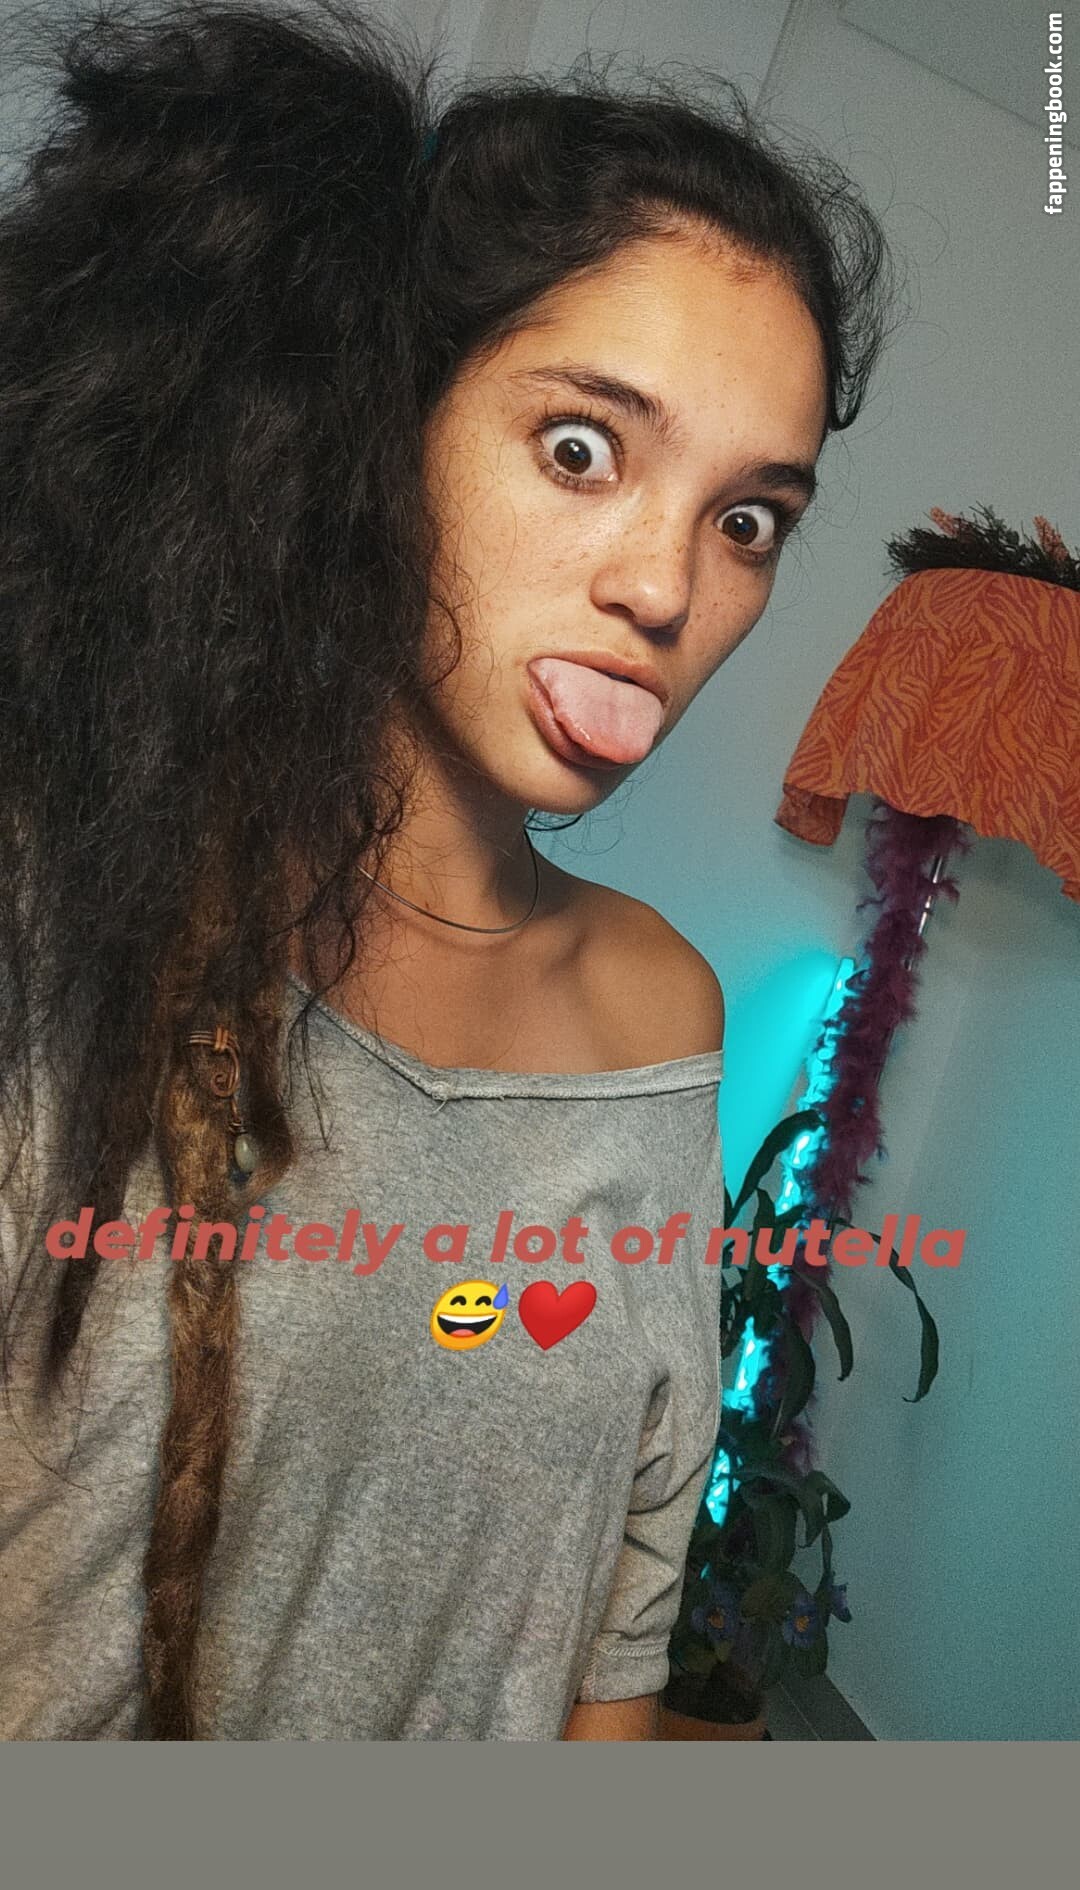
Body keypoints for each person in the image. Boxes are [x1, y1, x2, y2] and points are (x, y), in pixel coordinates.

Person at [0, 0, 893, 1740]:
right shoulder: (68, 921)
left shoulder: (659, 1014)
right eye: (582, 448)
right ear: (381, 424)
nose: (666, 587)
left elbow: (623, 1612)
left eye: (748, 520)